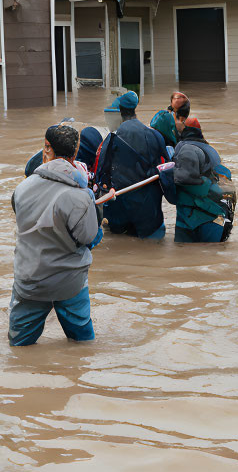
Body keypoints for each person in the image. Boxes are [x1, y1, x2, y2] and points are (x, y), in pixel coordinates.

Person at [10, 124, 102, 346]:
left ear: (46, 148)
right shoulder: (80, 196)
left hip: (30, 280)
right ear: (76, 151)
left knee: (19, 346)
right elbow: (89, 237)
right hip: (70, 282)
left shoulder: (21, 189)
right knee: (84, 345)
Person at [93, 91, 168, 239]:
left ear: (120, 112)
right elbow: (166, 169)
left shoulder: (112, 139)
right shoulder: (155, 136)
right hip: (149, 210)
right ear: (135, 109)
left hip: (120, 210)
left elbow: (101, 174)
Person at [169, 116, 234, 243]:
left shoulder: (184, 147)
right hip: (216, 216)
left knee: (184, 258)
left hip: (193, 217)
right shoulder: (212, 150)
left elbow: (183, 178)